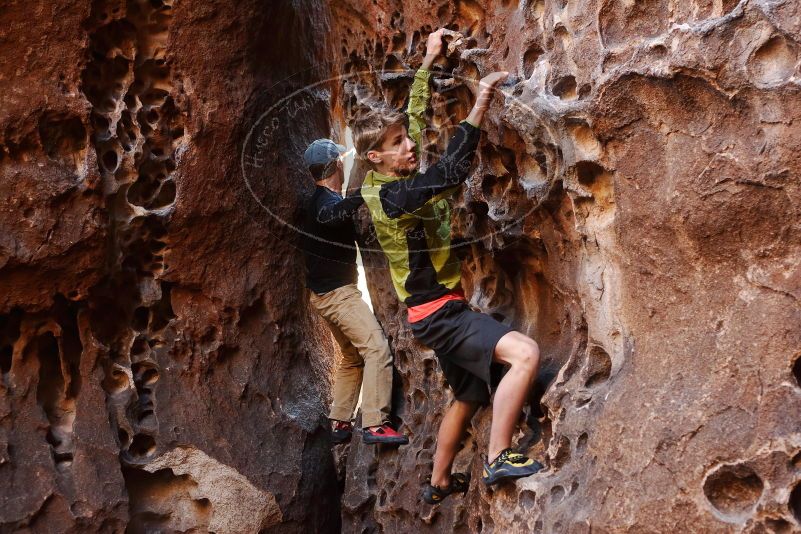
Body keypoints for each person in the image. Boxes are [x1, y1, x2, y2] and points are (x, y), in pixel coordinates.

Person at [352, 28, 543, 503]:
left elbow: (415, 119)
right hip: (440, 313)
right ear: (376, 158)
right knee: (524, 355)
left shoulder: (392, 170)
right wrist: (480, 103)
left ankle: (437, 481)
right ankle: (500, 457)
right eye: (398, 144)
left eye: (405, 140)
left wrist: (428, 62)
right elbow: (451, 171)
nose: (410, 146)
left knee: (469, 395)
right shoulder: (394, 197)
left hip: (432, 311)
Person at [301, 138, 408, 446]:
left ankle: (339, 421)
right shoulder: (323, 201)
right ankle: (375, 423)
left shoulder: (321, 199)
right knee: (376, 350)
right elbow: (331, 216)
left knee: (351, 357)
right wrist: (363, 192)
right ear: (338, 165)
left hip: (324, 296)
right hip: (338, 296)